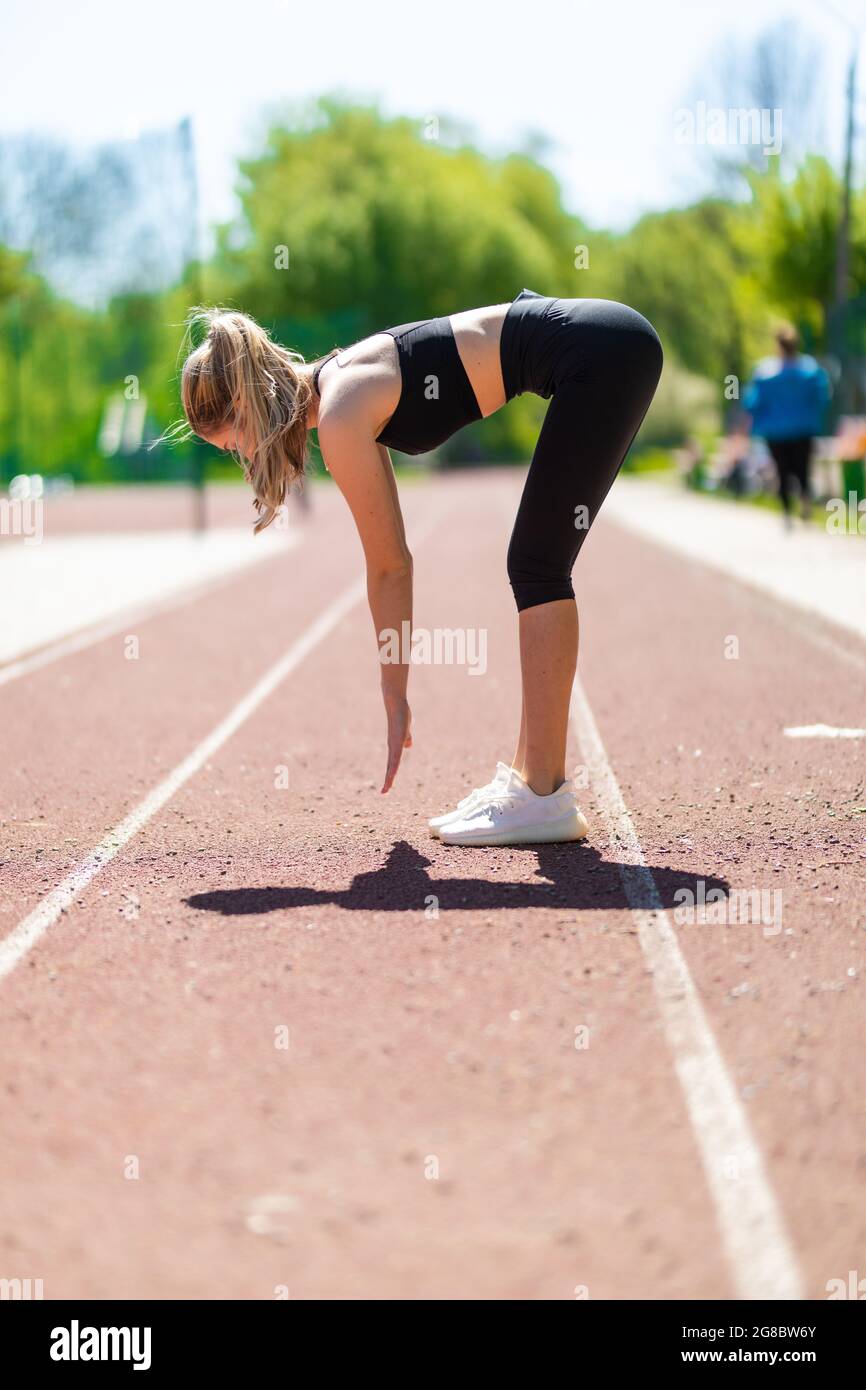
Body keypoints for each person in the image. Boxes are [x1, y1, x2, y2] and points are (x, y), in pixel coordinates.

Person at [175, 291, 663, 846]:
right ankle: (531, 784)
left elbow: (389, 569)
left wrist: (393, 691)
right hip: (602, 342)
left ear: (247, 413)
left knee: (537, 564)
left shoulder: (339, 412)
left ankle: (543, 796)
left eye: (232, 445)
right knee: (534, 561)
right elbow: (397, 556)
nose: (241, 459)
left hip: (600, 350)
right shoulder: (340, 383)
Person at [743, 325, 830, 527]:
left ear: (778, 346)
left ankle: (787, 514)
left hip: (776, 431)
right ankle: (805, 502)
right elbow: (822, 397)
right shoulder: (811, 370)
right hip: (803, 428)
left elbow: (752, 402)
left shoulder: (765, 373)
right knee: (803, 469)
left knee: (782, 471)